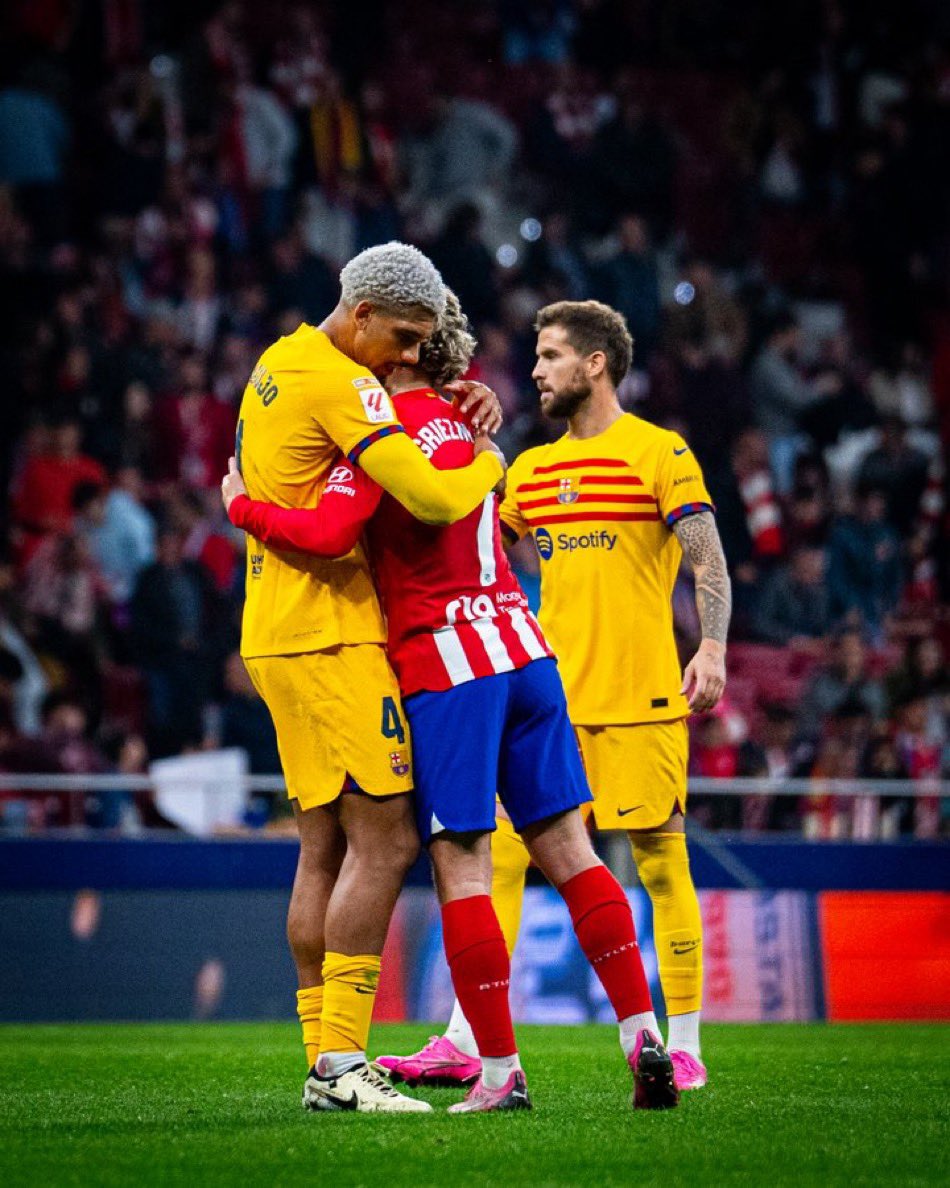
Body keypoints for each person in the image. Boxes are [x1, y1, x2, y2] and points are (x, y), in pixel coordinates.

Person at [223, 292, 679, 1113]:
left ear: (399, 355)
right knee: (572, 853)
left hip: (447, 663)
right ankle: (641, 1031)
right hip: (523, 646)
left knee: (462, 866)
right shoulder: (469, 425)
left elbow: (329, 533)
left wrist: (241, 506)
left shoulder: (375, 439)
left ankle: (500, 1075)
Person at [378, 299, 731, 1093]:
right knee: (495, 860)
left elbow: (707, 557)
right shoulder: (530, 470)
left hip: (641, 696)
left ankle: (682, 1044)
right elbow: (470, 552)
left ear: (595, 363)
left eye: (550, 355)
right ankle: (468, 1038)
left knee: (661, 866)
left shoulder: (659, 453)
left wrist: (710, 646)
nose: (534, 371)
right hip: (542, 697)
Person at [234, 242, 504, 1114]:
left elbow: (317, 509)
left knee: (324, 846)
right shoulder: (345, 387)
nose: (413, 358)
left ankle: (323, 1061)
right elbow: (428, 498)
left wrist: (241, 506)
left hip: (275, 633)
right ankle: (342, 1068)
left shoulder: (279, 360)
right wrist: (492, 453)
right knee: (386, 840)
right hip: (330, 638)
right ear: (360, 316)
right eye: (404, 336)